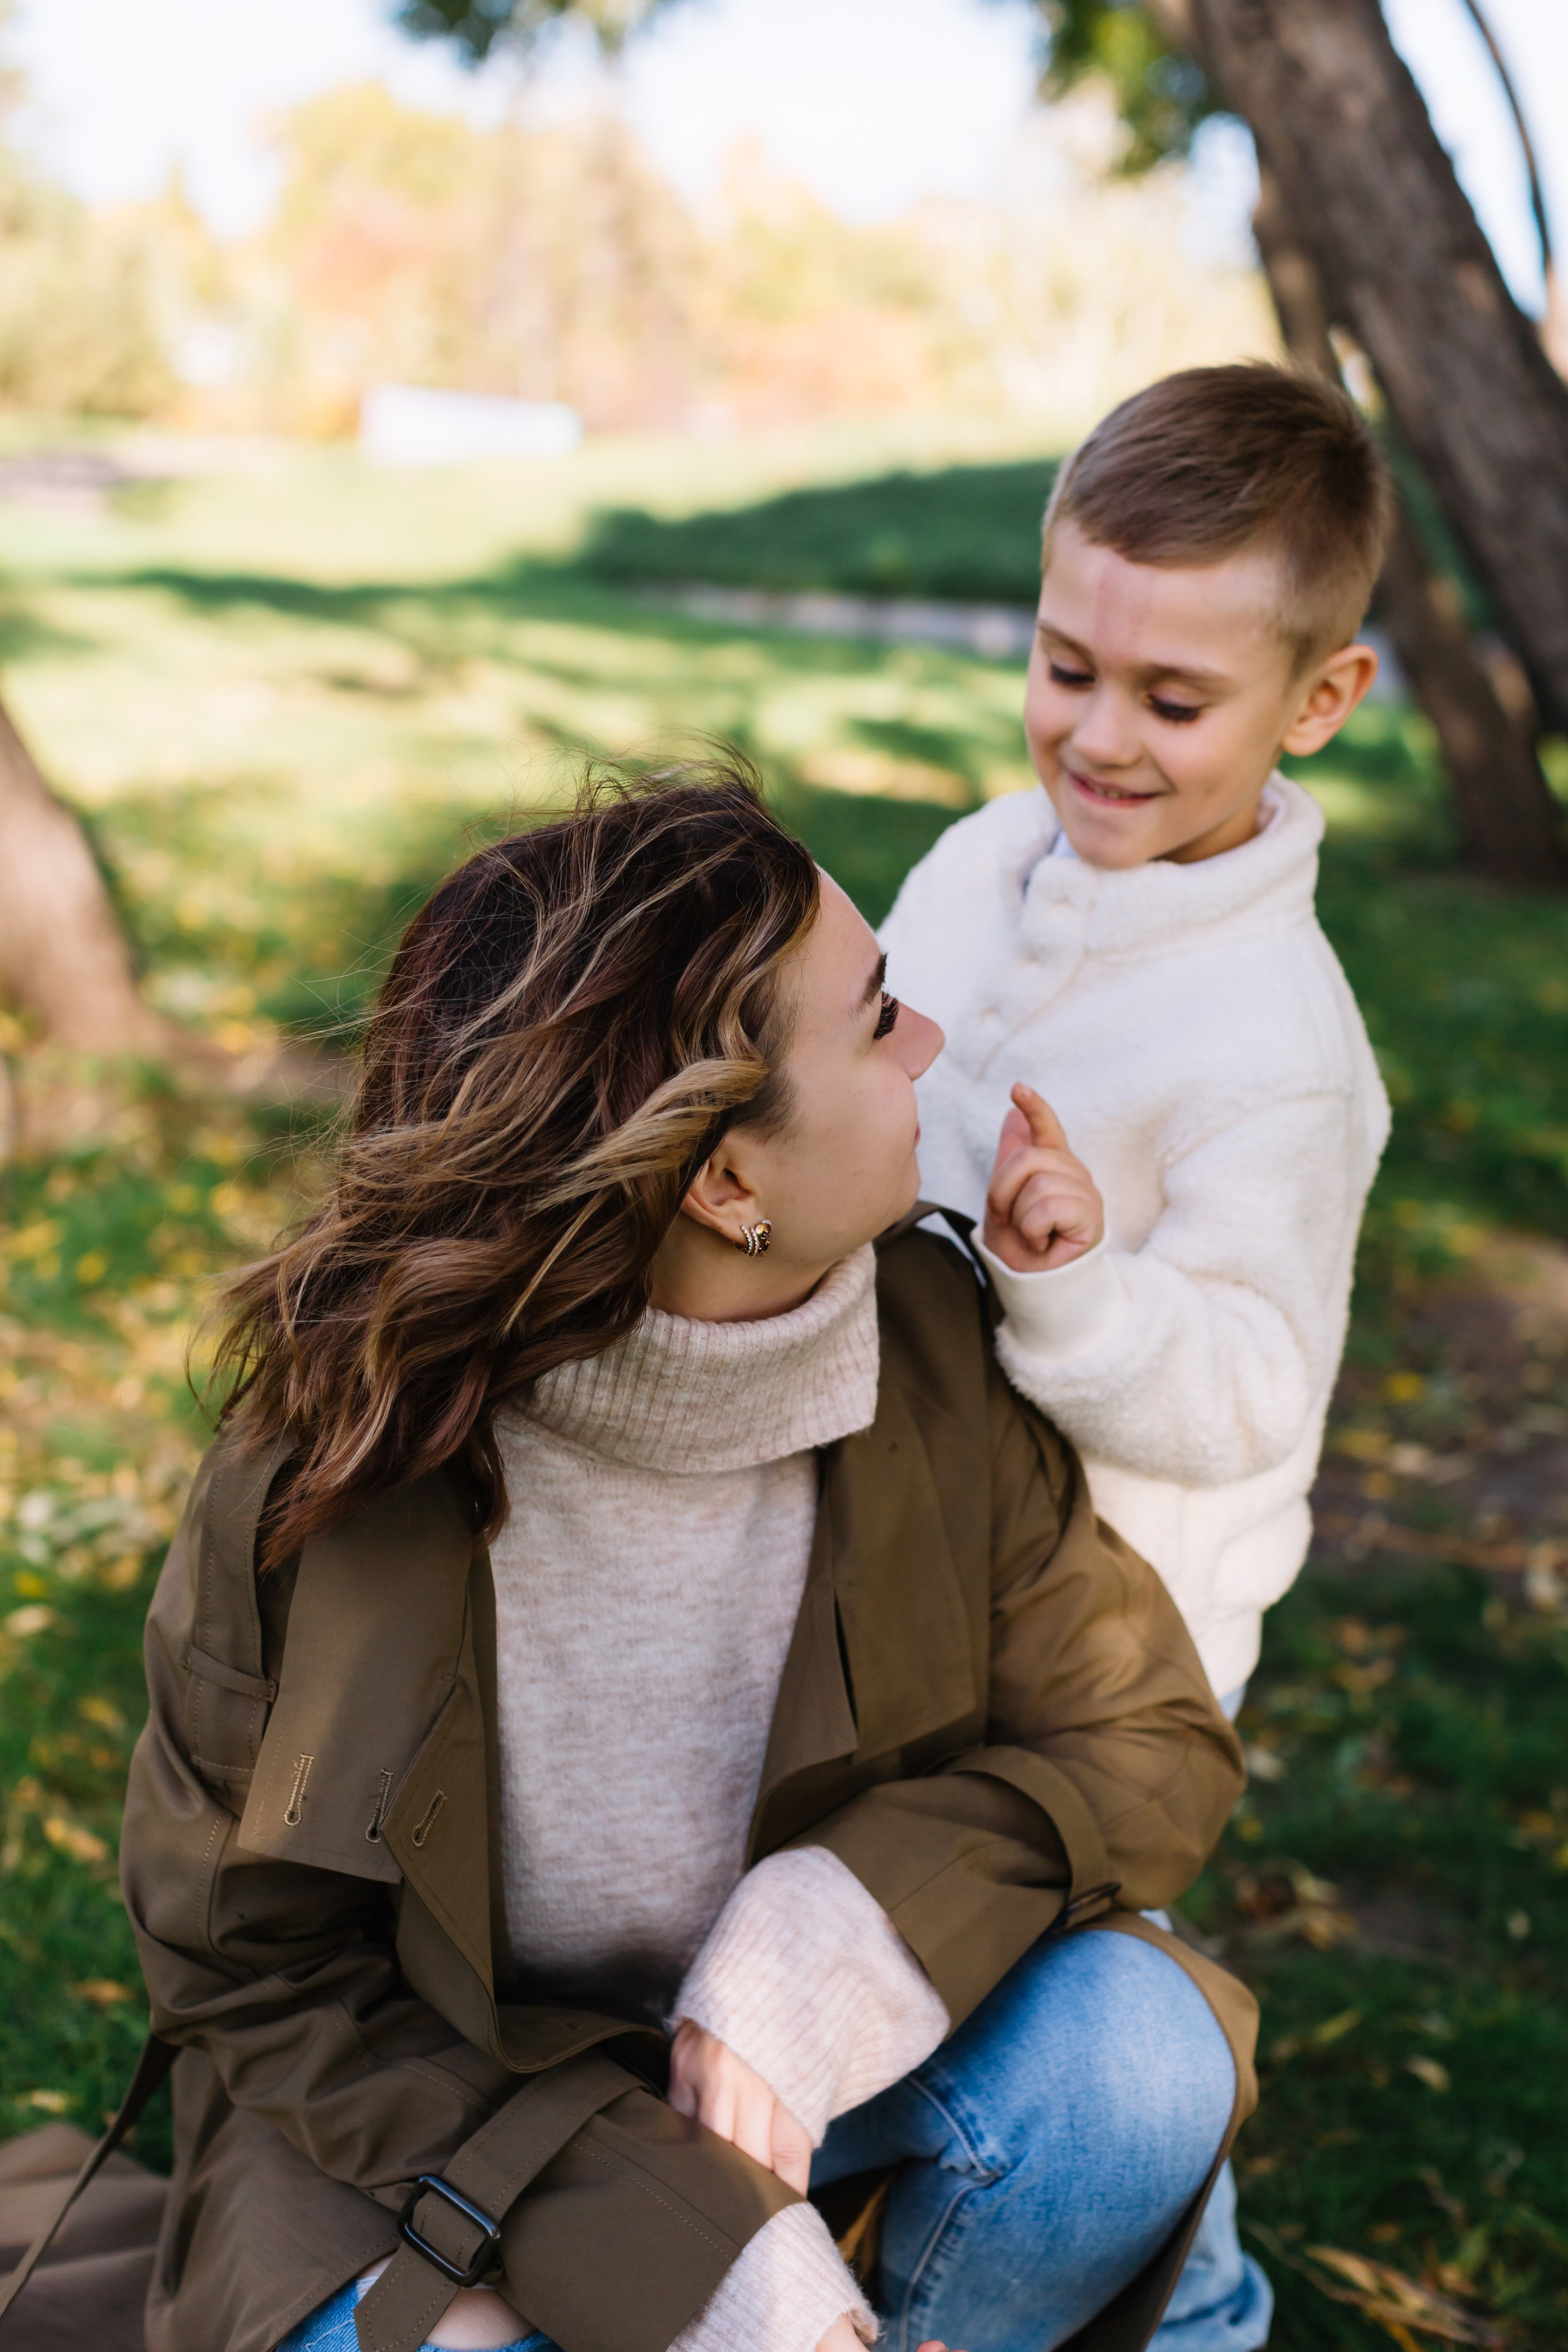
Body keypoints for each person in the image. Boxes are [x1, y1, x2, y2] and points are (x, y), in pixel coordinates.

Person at [120, 764, 1256, 2352]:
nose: (927, 1041)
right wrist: (690, 2264)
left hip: (829, 2083)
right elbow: (252, 1975)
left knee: (1138, 2058)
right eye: (874, 1021)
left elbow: (1146, 1739)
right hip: (446, 2122)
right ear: (727, 1183)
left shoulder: (932, 1342)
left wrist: (841, 1925)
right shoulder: (330, 1470)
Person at [879, 363, 1396, 2348]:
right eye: (1063, 663)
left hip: (1112, 1650)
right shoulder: (980, 864)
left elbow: (1258, 1374)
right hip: (908, 1558)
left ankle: (1193, 2306)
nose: (1098, 735)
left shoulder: (1275, 1037)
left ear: (1316, 700)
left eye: (1171, 702)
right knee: (920, 1935)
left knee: (1079, 1958)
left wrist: (1078, 1288)